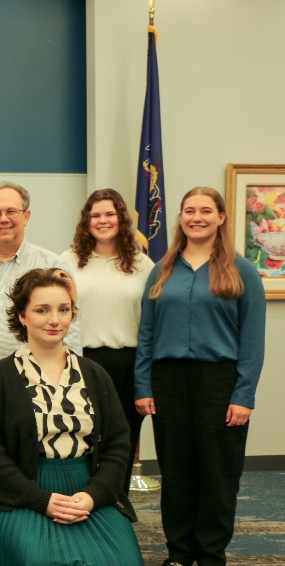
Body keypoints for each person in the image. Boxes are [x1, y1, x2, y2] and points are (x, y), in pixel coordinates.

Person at [0, 268, 141, 565]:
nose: (55, 320)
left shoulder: (95, 375)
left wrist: (93, 495)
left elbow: (118, 445)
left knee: (123, 560)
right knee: (40, 560)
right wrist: (42, 500)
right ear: (22, 316)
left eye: (64, 310)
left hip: (87, 491)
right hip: (18, 495)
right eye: (42, 310)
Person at [134, 187, 266, 566]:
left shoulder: (241, 270)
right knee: (176, 473)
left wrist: (244, 395)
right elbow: (146, 334)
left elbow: (252, 341)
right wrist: (143, 385)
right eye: (189, 210)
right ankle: (179, 553)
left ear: (221, 217)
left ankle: (210, 554)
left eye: (206, 210)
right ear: (180, 217)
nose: (197, 217)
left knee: (217, 475)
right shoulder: (163, 269)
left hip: (220, 383)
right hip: (168, 382)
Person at [0, 181, 81, 449]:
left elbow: (72, 332)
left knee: (29, 459)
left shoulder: (52, 265)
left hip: (34, 381)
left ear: (26, 216)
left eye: (11, 211)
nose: (3, 219)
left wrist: (70, 385)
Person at [60, 189, 155, 492]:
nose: (103, 220)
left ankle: (117, 503)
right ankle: (82, 504)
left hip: (129, 364)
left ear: (122, 219)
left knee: (120, 442)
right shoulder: (68, 261)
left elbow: (150, 323)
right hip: (81, 362)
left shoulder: (143, 264)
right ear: (86, 221)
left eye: (109, 214)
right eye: (96, 215)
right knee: (81, 439)